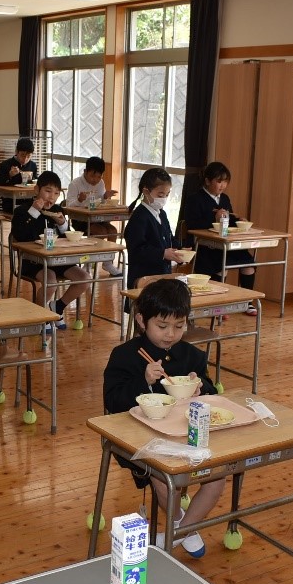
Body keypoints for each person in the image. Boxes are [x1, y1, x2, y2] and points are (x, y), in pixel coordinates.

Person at [103, 279, 220, 558]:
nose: (170, 335)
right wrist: (143, 381)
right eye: (162, 326)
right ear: (142, 320)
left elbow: (212, 393)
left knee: (217, 477)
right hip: (141, 438)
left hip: (186, 435)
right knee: (163, 476)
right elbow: (112, 400)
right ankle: (185, 527)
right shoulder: (125, 356)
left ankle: (177, 533)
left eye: (179, 326)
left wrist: (201, 387)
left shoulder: (191, 355)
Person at [10, 171, 92, 331]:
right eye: (47, 191)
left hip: (57, 260)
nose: (51, 197)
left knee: (84, 278)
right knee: (51, 281)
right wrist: (33, 211)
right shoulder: (22, 211)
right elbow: (20, 235)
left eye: (56, 193)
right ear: (36, 190)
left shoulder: (56, 210)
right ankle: (40, 316)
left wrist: (62, 224)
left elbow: (68, 236)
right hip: (32, 261)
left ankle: (57, 308)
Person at [177, 161, 257, 316]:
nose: (222, 185)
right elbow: (193, 225)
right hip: (206, 246)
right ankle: (218, 304)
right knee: (221, 266)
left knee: (249, 264)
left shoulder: (225, 198)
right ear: (207, 181)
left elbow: (230, 220)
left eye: (225, 181)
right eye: (219, 181)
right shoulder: (195, 199)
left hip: (224, 244)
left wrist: (240, 221)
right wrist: (214, 217)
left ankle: (248, 302)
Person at [124, 167, 185, 290]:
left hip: (162, 274)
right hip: (143, 276)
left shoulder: (162, 214)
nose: (164, 199)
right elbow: (136, 250)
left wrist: (180, 250)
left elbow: (169, 238)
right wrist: (162, 253)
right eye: (160, 194)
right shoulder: (139, 217)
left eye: (167, 195)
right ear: (146, 192)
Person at [66, 156, 122, 277]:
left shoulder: (101, 183)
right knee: (100, 231)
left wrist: (105, 197)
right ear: (85, 171)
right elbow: (68, 205)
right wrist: (79, 200)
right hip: (80, 220)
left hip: (97, 217)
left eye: (99, 177)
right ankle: (87, 263)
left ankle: (107, 263)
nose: (95, 180)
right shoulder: (75, 184)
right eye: (92, 176)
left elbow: (100, 201)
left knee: (113, 231)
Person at [0, 137, 38, 215]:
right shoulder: (5, 165)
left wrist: (32, 180)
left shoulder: (33, 165)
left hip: (28, 202)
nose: (25, 159)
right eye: (22, 155)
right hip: (10, 203)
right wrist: (9, 175)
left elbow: (35, 183)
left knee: (36, 211)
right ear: (16, 152)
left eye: (28, 156)